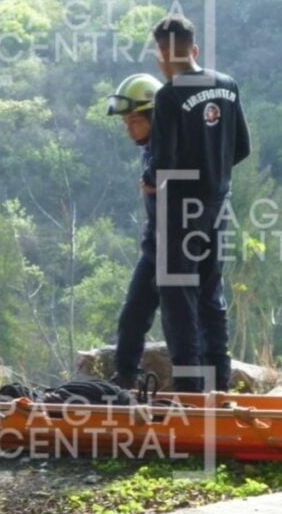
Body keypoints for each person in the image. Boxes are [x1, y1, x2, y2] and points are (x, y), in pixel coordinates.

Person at [146, 14, 251, 392]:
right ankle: (219, 382)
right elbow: (242, 147)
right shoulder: (227, 85)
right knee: (210, 292)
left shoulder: (170, 96)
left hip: (179, 211)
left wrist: (149, 183)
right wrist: (213, 173)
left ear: (161, 52)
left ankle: (190, 390)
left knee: (178, 297)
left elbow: (162, 163)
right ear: (194, 48)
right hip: (217, 203)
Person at [105, 73, 163, 390]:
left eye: (135, 121)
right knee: (132, 317)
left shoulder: (172, 149)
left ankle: (195, 394)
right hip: (154, 247)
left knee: (183, 322)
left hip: (178, 249)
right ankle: (125, 381)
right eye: (126, 123)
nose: (129, 129)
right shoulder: (150, 148)